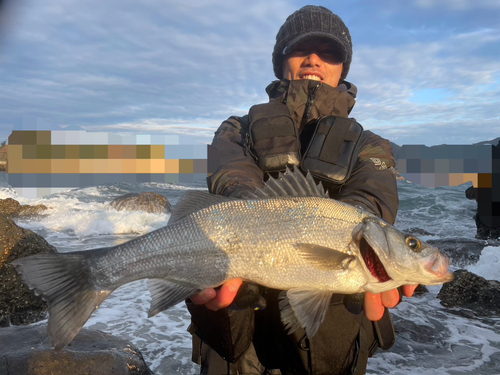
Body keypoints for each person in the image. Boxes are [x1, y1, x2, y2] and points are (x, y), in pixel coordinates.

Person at [187, 5, 417, 375]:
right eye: (300, 49)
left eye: (329, 52)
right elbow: (233, 178)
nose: (313, 58)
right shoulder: (236, 128)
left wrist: (359, 244)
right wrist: (258, 225)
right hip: (243, 311)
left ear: (343, 67)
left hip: (331, 319)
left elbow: (372, 199)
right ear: (280, 62)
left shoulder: (372, 144)